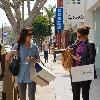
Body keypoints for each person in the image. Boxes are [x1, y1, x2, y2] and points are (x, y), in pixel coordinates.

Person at [6, 28, 40, 100]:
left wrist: (32, 59)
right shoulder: (17, 46)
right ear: (24, 35)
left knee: (31, 97)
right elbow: (7, 58)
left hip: (32, 76)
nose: (31, 36)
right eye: (29, 34)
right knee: (22, 98)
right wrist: (12, 52)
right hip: (20, 76)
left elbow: (39, 61)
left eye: (31, 34)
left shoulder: (34, 47)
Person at [69, 26, 96, 100]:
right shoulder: (77, 43)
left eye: (79, 36)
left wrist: (79, 59)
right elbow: (69, 48)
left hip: (85, 71)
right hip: (76, 71)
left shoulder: (90, 44)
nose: (77, 38)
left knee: (85, 94)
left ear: (85, 36)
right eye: (76, 36)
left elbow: (92, 60)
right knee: (75, 94)